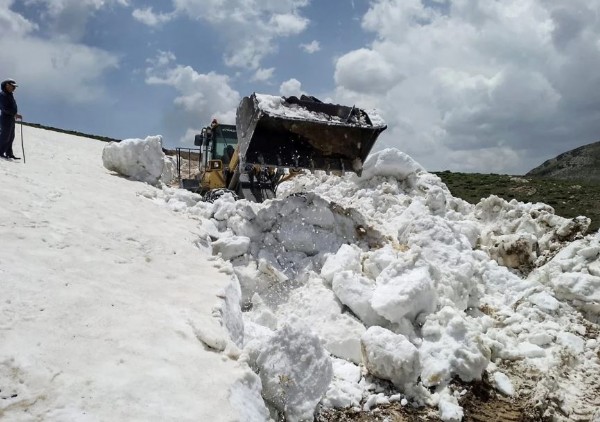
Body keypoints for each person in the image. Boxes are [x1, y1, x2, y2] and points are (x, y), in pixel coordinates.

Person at [0, 79, 23, 160]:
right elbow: (4, 108)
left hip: (11, 118)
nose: (14, 88)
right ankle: (0, 152)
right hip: (5, 118)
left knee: (11, 136)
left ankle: (9, 153)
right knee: (5, 136)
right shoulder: (2, 95)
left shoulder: (9, 95)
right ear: (7, 85)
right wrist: (14, 114)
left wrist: (15, 114)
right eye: (13, 86)